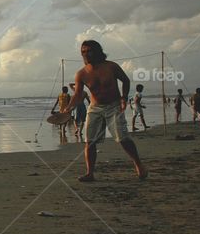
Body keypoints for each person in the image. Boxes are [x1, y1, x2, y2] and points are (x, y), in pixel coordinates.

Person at [62, 41, 147, 182]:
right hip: (95, 108)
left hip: (113, 106)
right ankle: (90, 173)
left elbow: (125, 80)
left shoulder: (111, 66)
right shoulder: (81, 74)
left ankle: (138, 164)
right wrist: (69, 108)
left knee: (123, 138)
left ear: (97, 51)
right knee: (89, 141)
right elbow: (78, 94)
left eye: (89, 51)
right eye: (83, 52)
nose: (86, 54)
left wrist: (124, 98)